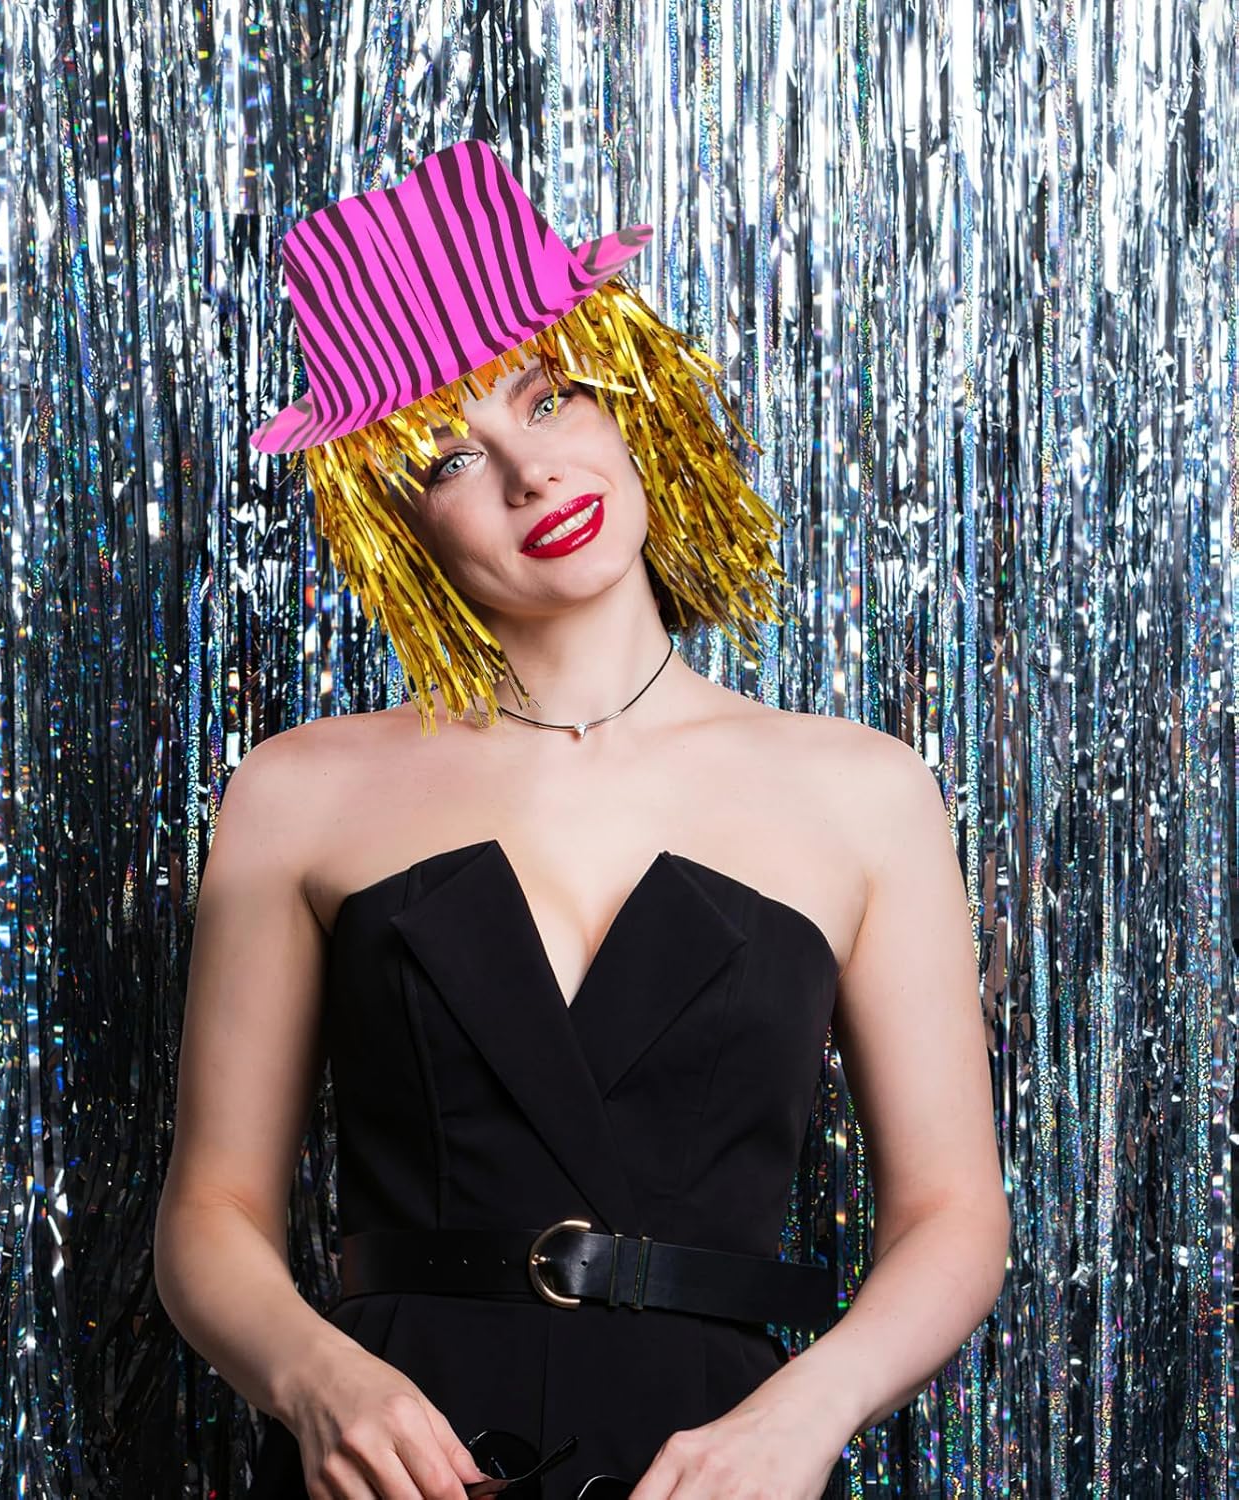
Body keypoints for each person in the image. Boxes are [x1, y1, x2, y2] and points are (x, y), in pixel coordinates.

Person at [153, 138, 1009, 1500]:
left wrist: (806, 1415)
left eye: (548, 398)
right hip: (398, 1467)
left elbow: (955, 1217)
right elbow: (211, 1211)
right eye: (449, 459)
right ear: (396, 523)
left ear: (628, 395)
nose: (530, 475)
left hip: (718, 1467)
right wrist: (316, 1380)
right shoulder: (296, 790)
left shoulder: (864, 790)